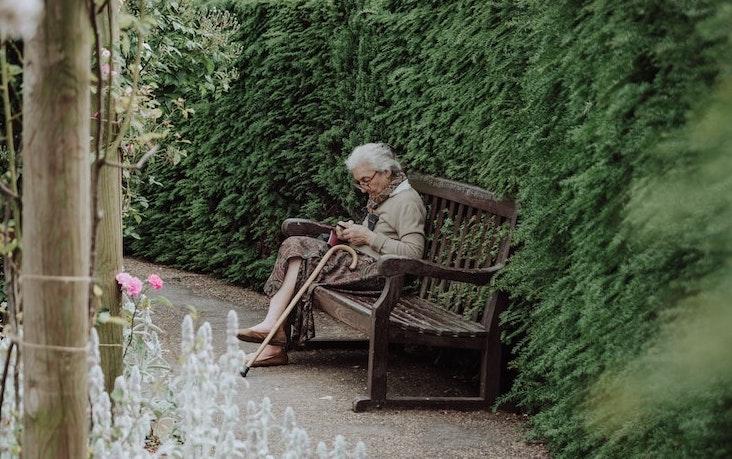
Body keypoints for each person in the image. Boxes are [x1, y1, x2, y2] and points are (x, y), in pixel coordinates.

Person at [237, 143, 427, 366]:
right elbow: (375, 235)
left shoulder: (406, 201)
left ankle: (272, 340)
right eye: (359, 182)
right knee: (295, 250)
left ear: (386, 171)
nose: (363, 187)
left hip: (380, 276)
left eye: (366, 180)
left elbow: (414, 253)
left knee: (299, 251)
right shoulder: (385, 194)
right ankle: (272, 333)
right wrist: (349, 234)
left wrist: (368, 237)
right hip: (359, 265)